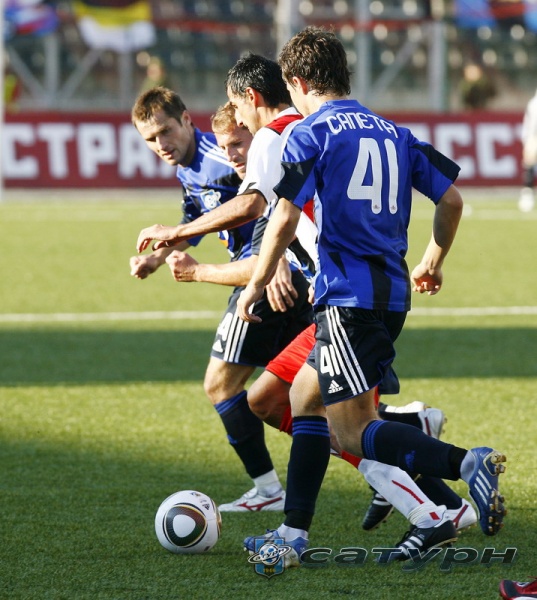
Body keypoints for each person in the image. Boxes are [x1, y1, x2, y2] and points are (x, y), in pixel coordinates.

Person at [237, 26, 507, 564]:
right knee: (303, 398)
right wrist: (432, 260)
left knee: (353, 433)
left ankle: (464, 462)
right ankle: (293, 534)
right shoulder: (393, 132)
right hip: (391, 294)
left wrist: (257, 281)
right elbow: (451, 200)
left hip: (347, 297)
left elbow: (284, 215)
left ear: (298, 83)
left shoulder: (311, 132)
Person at [167, 100, 477, 536]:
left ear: (256, 109)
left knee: (349, 426)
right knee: (271, 400)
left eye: (239, 140)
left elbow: (263, 218)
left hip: (350, 303)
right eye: (225, 146)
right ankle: (418, 472)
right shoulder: (323, 140)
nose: (233, 154)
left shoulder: (289, 143)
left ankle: (447, 487)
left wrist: (210, 267)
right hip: (341, 302)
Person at [130, 87, 313, 512]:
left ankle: (268, 490)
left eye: (165, 131)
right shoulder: (189, 166)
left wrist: (275, 257)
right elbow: (197, 216)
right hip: (265, 274)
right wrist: (158, 258)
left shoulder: (223, 157)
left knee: (222, 384)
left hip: (263, 278)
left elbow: (268, 199)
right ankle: (404, 425)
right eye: (150, 139)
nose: (161, 144)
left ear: (186, 120)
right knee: (310, 391)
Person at [519, 88, 537, 212]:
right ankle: (527, 195)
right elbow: (529, 124)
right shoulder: (533, 103)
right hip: (534, 137)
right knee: (529, 165)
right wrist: (526, 139)